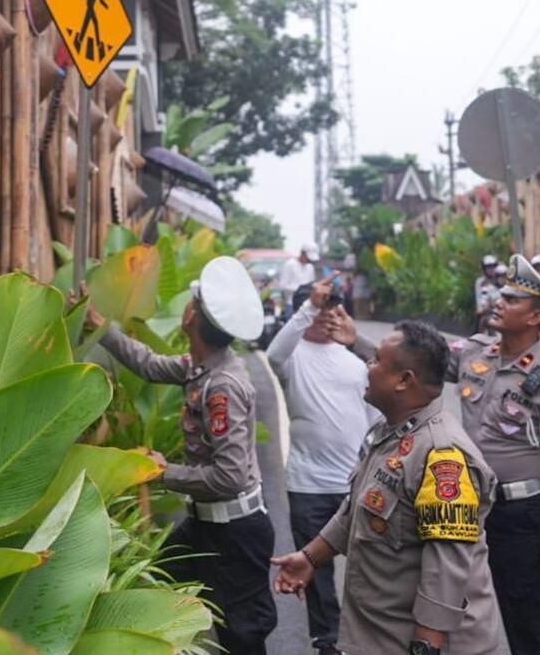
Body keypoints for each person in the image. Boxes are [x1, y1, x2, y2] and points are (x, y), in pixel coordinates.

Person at [325, 255, 540, 655]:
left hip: (520, 516)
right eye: (502, 294)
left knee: (527, 621)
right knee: (459, 610)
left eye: (513, 299)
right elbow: (412, 365)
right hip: (461, 507)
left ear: (536, 317)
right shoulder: (475, 352)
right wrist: (357, 340)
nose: (500, 300)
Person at [272, 321, 502, 655]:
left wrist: (426, 649)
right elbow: (361, 507)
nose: (368, 366)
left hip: (420, 644)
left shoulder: (442, 456)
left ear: (404, 380)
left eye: (377, 360)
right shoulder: (392, 433)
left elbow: (446, 570)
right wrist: (311, 557)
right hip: (380, 638)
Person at [87, 256, 277, 654]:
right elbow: (152, 365)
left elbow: (230, 478)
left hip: (235, 534)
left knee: (241, 635)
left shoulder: (222, 386)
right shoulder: (202, 366)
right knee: (159, 584)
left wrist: (162, 471)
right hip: (204, 526)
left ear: (192, 317)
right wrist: (99, 326)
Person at [265, 277, 374, 655]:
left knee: (369, 570)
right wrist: (308, 307)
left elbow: (378, 417)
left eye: (333, 308)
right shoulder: (291, 359)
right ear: (305, 311)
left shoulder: (356, 363)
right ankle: (327, 642)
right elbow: (273, 354)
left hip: (356, 486)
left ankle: (365, 638)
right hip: (308, 485)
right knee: (317, 573)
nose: (328, 316)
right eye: (320, 308)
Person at [278, 244, 320, 314]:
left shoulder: (310, 267)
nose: (309, 260)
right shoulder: (290, 265)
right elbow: (283, 285)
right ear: (302, 253)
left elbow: (311, 284)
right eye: (308, 258)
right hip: (292, 303)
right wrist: (301, 290)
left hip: (307, 305)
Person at [475, 255, 499, 331]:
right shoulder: (480, 282)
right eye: (488, 267)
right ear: (484, 269)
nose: (491, 270)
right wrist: (482, 309)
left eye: (493, 267)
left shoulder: (500, 280)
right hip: (486, 312)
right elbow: (479, 298)